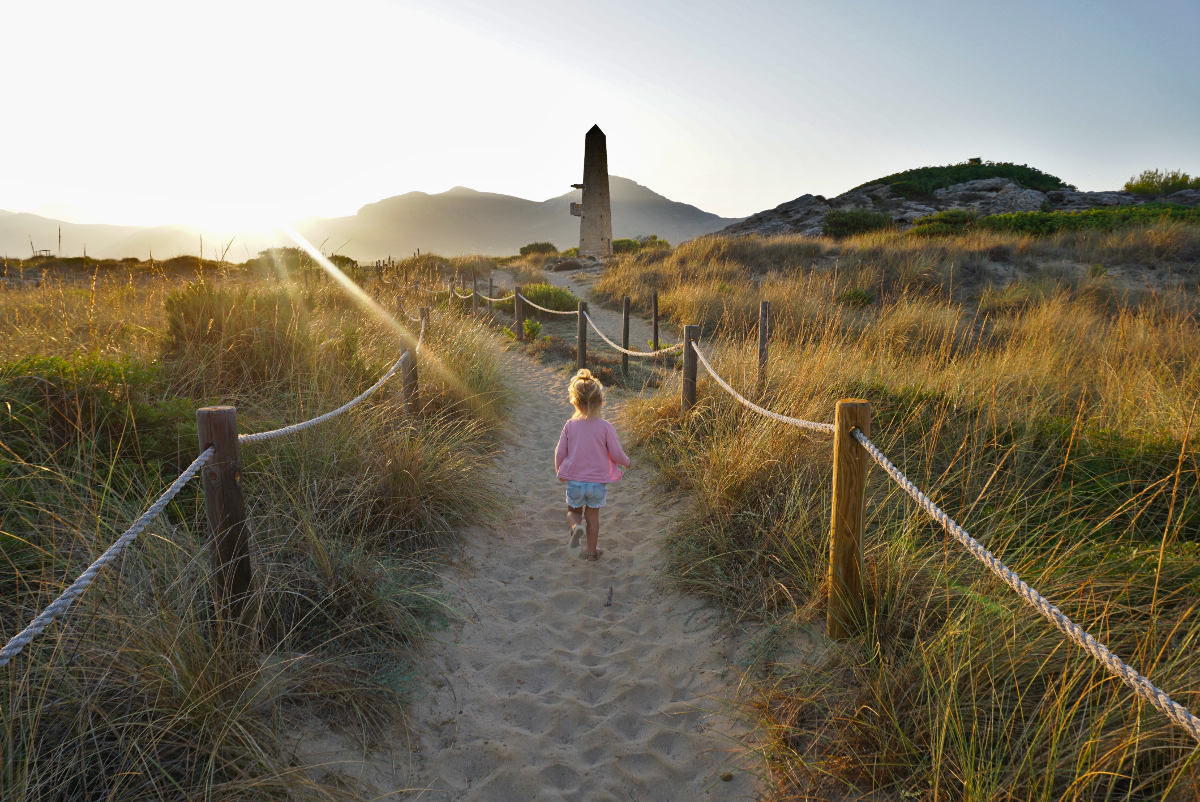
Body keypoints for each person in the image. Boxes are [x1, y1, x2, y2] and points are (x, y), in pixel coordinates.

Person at [554, 369, 630, 561]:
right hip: (597, 483)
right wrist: (626, 462)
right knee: (593, 516)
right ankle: (591, 551)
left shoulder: (570, 425)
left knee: (573, 511)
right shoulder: (606, 427)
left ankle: (575, 527)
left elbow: (560, 452)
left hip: (575, 481)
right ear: (601, 401)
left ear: (574, 401)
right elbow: (616, 453)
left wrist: (560, 470)